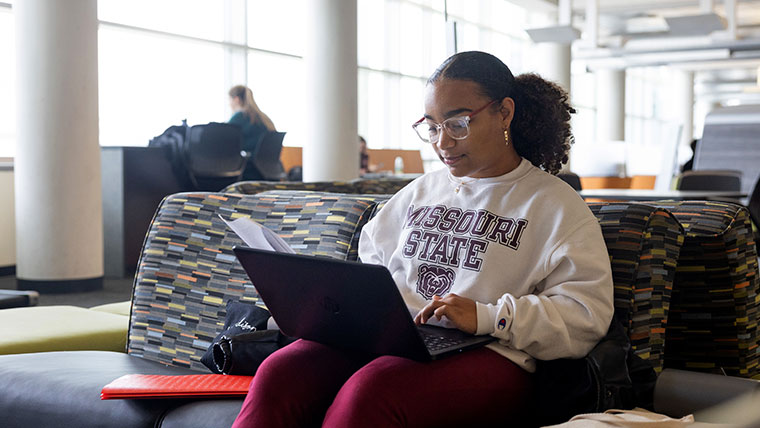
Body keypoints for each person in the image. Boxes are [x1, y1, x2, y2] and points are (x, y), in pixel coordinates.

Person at [232, 51, 614, 427]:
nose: (442, 143)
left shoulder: (555, 205)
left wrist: (487, 316)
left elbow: (584, 317)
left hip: (493, 352)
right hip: (396, 337)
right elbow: (373, 265)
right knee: (280, 373)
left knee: (373, 392)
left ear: (505, 113)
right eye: (432, 127)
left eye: (458, 123)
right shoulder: (421, 191)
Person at [228, 85, 277, 179]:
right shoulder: (264, 118)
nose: (229, 104)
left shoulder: (240, 117)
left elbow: (223, 139)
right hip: (269, 170)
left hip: (250, 170)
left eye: (229, 100)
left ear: (236, 99)